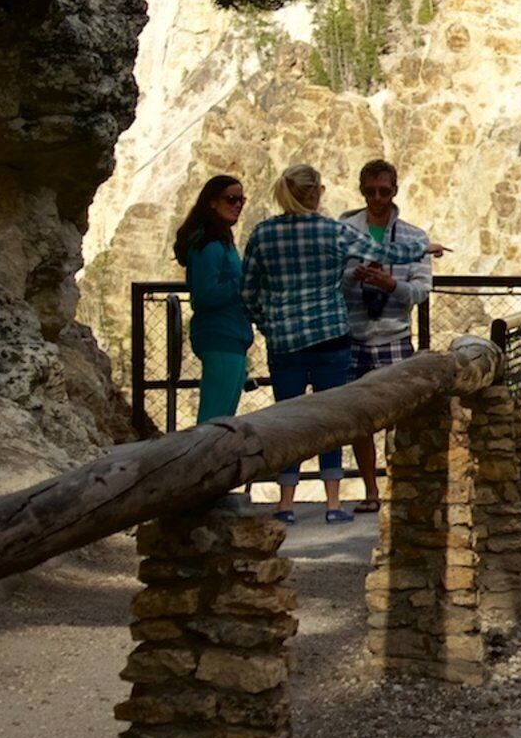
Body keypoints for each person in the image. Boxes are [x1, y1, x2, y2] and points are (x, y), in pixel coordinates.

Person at [239, 164, 363, 522]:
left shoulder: (263, 234)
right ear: (317, 193)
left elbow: (247, 292)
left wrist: (269, 323)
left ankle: (286, 504)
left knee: (288, 420)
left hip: (285, 342)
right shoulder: (332, 231)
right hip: (330, 336)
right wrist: (420, 247)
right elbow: (381, 252)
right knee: (331, 420)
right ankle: (333, 504)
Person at [337, 158, 441, 513]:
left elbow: (421, 290)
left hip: (394, 334)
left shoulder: (414, 238)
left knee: (400, 418)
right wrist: (356, 277)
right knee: (357, 418)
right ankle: (370, 490)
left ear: (395, 191)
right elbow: (333, 280)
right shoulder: (345, 230)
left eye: (383, 191)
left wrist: (391, 284)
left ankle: (401, 489)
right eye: (370, 192)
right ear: (361, 190)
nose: (377, 198)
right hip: (354, 334)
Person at [172, 175, 255, 427]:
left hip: (231, 335)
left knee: (222, 419)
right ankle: (199, 465)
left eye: (241, 199)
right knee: (214, 421)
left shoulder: (220, 239)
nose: (238, 205)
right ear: (212, 203)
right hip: (220, 336)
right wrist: (244, 282)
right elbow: (205, 294)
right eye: (231, 199)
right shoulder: (208, 243)